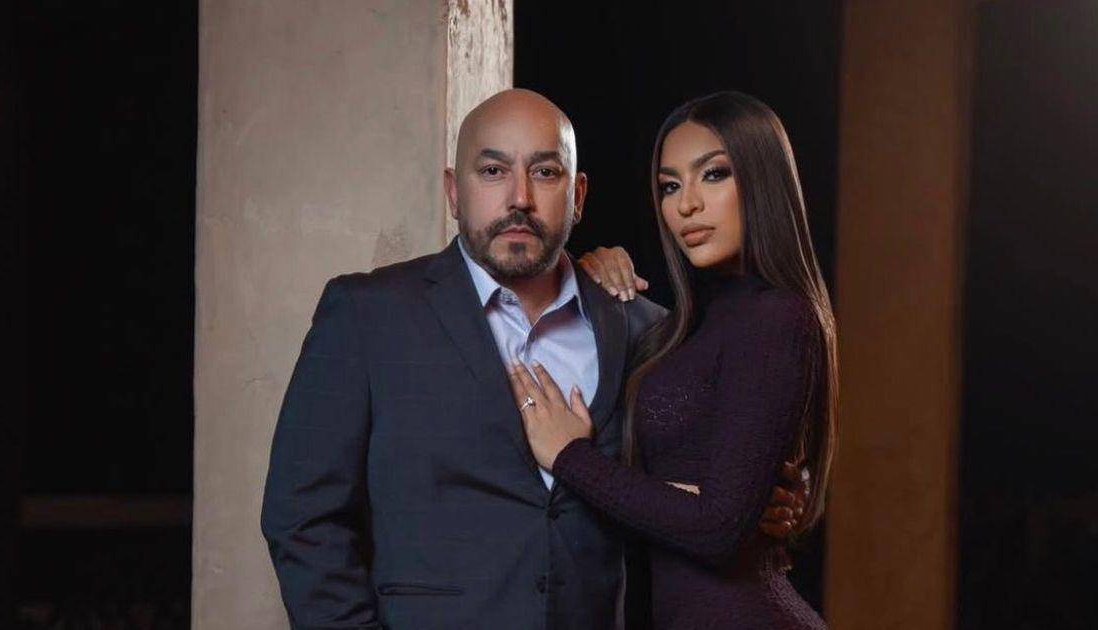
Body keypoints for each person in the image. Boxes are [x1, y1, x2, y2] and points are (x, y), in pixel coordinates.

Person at [260, 89, 807, 629]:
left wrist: (772, 494)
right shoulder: (367, 315)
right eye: (492, 171)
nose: (519, 197)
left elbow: (701, 480)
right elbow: (303, 518)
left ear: (578, 195)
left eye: (545, 172)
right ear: (453, 192)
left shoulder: (647, 330)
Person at [510, 91, 837, 629]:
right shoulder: (690, 324)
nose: (686, 205)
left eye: (714, 175)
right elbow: (701, 502)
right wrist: (589, 274)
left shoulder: (777, 317)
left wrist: (570, 456)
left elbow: (716, 529)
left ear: (762, 180)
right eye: (670, 185)